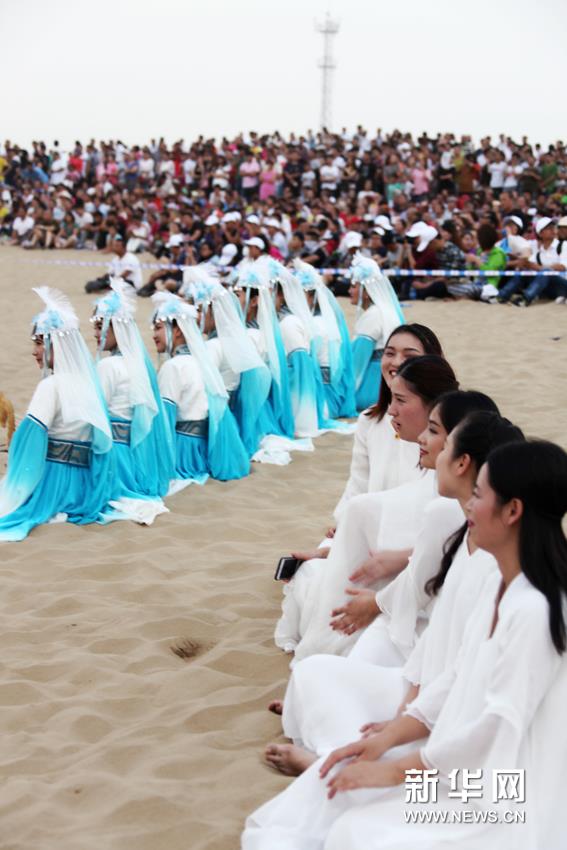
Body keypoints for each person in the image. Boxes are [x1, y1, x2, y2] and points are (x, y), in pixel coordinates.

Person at [316, 440, 567, 850]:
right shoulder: (500, 584)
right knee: (340, 804)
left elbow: (498, 726)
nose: (469, 507)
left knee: (356, 831)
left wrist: (398, 771)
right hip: (468, 772)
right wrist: (388, 738)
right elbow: (455, 678)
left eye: (479, 496)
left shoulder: (536, 608)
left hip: (511, 793)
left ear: (512, 511)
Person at [263, 407, 522, 782]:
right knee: (313, 674)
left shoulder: (500, 566)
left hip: (451, 706)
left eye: (440, 438)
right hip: (429, 683)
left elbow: (470, 675)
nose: (427, 444)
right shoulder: (466, 530)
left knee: (341, 684)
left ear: (464, 463)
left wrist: (407, 719)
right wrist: (406, 711)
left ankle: (331, 761)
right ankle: (340, 751)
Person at [275, 355, 459, 659]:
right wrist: (332, 547)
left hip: (403, 569)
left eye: (408, 355)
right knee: (315, 571)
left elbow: (449, 541)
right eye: (390, 352)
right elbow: (356, 491)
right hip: (371, 546)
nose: (395, 363)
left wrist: (398, 564)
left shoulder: (448, 466)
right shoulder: (372, 423)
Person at [0, 288, 113, 541]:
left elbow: (29, 443)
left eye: (40, 343)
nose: (34, 351)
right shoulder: (89, 385)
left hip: (52, 482)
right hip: (82, 486)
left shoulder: (51, 386)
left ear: (56, 344)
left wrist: (13, 458)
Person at [92, 279, 174, 521]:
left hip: (112, 458)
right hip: (133, 457)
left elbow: (95, 415)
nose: (96, 333)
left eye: (100, 326)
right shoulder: (136, 364)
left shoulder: (108, 365)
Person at [151, 292, 250, 485]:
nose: (154, 334)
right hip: (202, 449)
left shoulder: (174, 366)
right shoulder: (202, 362)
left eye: (158, 328)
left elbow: (164, 423)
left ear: (177, 331)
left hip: (182, 450)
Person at [181, 270, 272, 458]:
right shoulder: (230, 342)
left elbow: (199, 387)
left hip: (213, 421)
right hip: (229, 414)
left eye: (200, 310)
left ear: (214, 313)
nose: (196, 316)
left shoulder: (214, 346)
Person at [294, 259, 356, 421]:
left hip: (322, 395)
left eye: (300, 295)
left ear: (312, 297)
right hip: (331, 390)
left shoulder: (315, 324)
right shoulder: (325, 321)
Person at [349, 254, 405, 412]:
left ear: (366, 292)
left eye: (353, 286)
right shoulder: (386, 310)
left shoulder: (373, 315)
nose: (349, 290)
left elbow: (358, 361)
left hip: (375, 382)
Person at [497, 217, 567, 306]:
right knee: (525, 272)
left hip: (563, 286)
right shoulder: (538, 254)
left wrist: (539, 268)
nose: (552, 229)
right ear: (540, 233)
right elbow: (528, 263)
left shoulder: (563, 245)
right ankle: (502, 295)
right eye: (548, 228)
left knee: (546, 272)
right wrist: (520, 260)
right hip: (549, 289)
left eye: (553, 227)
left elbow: (562, 267)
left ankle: (526, 298)